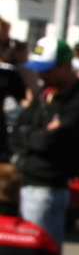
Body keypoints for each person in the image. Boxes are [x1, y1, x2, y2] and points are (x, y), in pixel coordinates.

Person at [14, 38, 79, 255]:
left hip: (47, 187)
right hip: (24, 182)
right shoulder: (46, 94)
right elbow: (18, 131)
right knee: (20, 254)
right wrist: (37, 133)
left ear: (64, 67)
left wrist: (36, 135)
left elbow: (50, 141)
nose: (42, 76)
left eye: (48, 70)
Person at [0, 19, 32, 161]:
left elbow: (32, 102)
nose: (7, 49)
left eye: (7, 43)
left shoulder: (6, 75)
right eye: (4, 43)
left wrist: (24, 62)